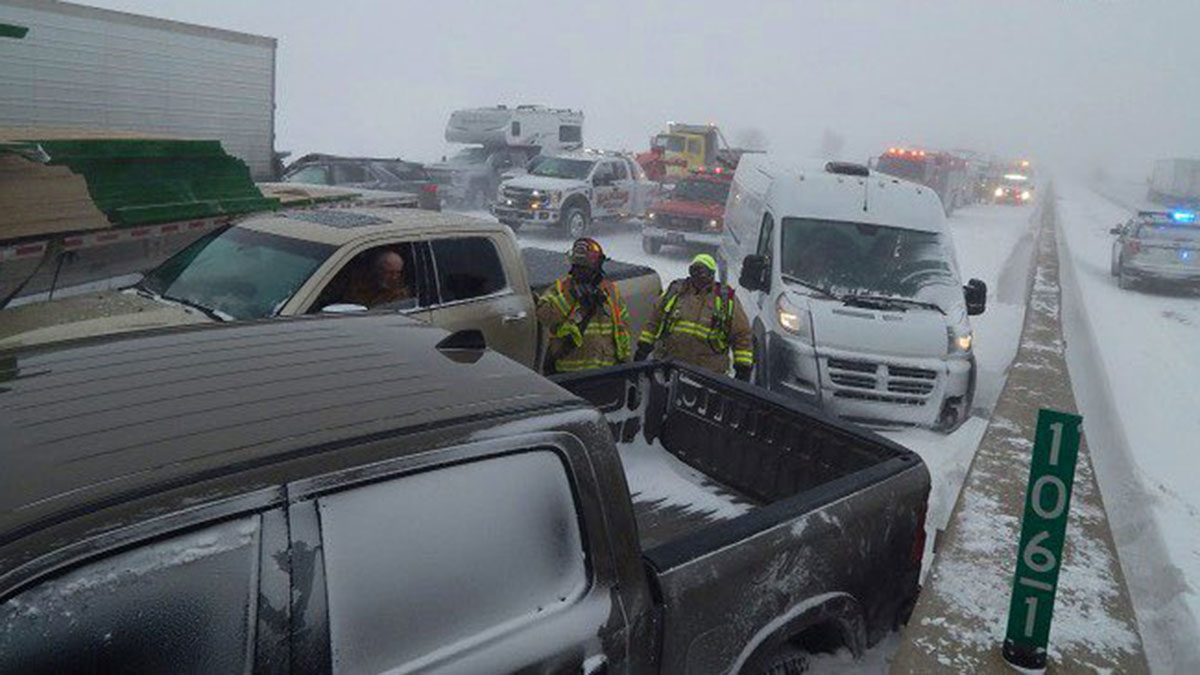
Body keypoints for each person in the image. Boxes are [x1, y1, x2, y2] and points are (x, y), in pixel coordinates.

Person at [635, 253, 753, 380]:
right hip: (670, 368)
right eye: (694, 270)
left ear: (711, 274)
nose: (698, 276)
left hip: (708, 376)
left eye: (703, 272)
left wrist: (743, 367)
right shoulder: (676, 292)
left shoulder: (725, 300)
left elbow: (742, 334)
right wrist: (643, 348)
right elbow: (654, 320)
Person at [536, 238, 632, 374]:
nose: (582, 272)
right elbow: (544, 316)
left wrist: (626, 364)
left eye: (585, 267)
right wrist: (570, 296)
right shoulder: (561, 289)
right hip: (572, 375)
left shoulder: (610, 291)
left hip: (607, 372)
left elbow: (623, 329)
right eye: (579, 267)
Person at [342, 248, 412, 308]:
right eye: (390, 273)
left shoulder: (401, 294)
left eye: (398, 272)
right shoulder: (362, 286)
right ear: (379, 270)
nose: (394, 277)